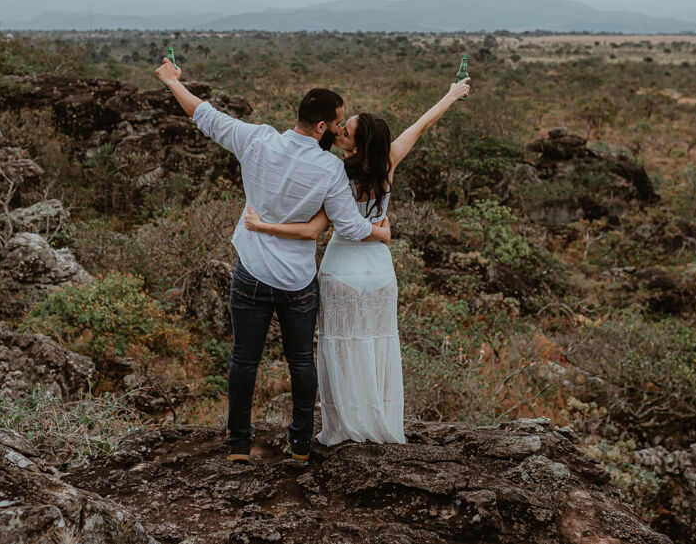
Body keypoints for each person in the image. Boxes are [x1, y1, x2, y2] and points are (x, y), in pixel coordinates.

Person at [154, 57, 390, 463]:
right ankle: (300, 446)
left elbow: (203, 114)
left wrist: (172, 81)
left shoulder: (257, 140)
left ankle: (239, 445)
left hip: (252, 272)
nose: (338, 131)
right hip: (297, 281)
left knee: (245, 358)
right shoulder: (331, 170)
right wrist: (381, 231)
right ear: (320, 128)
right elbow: (350, 227)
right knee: (301, 361)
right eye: (335, 124)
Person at [244, 76, 471, 445]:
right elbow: (423, 123)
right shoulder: (388, 161)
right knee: (376, 344)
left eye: (344, 132)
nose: (337, 132)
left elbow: (311, 229)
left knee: (342, 346)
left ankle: (345, 426)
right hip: (379, 270)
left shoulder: (335, 175)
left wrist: (262, 224)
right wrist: (451, 94)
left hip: (342, 269)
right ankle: (377, 421)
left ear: (356, 143)